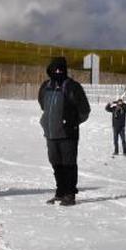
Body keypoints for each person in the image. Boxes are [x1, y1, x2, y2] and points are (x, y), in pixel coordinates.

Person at [38, 56, 91, 205]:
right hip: (50, 133)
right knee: (55, 163)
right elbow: (43, 105)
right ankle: (60, 192)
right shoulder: (45, 86)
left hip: (68, 134)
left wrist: (72, 123)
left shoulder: (73, 87)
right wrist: (46, 120)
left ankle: (70, 194)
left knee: (69, 164)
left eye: (60, 69)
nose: (57, 72)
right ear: (50, 70)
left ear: (65, 70)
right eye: (55, 69)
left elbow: (84, 110)